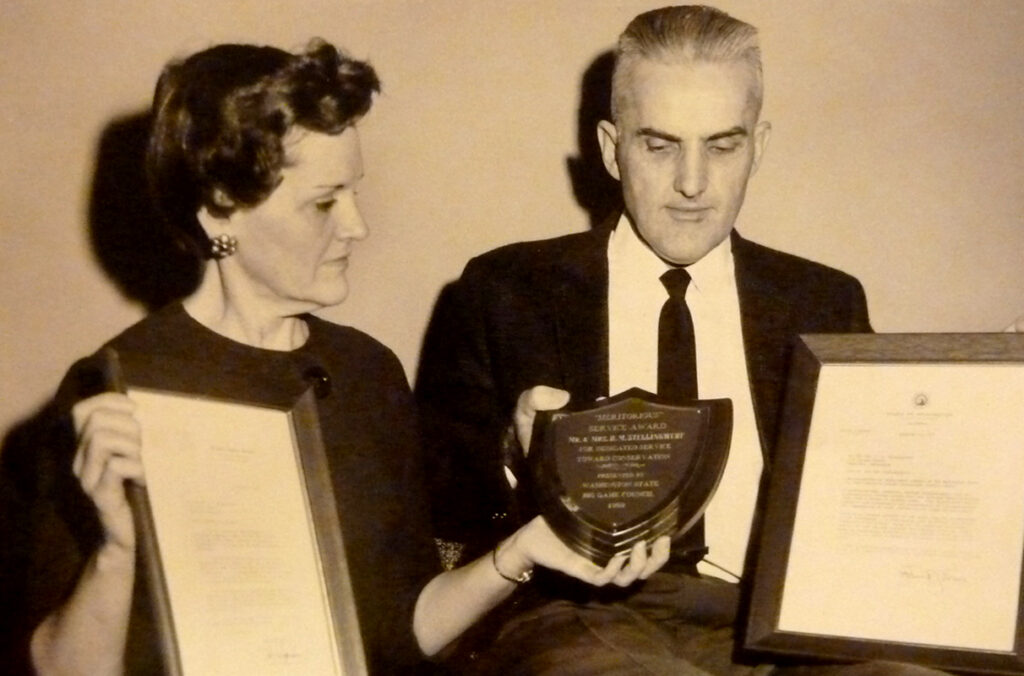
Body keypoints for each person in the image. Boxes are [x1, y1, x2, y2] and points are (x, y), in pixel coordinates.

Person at [0, 39, 669, 676]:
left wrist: (523, 550)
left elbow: (402, 633)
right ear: (221, 211)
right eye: (323, 203)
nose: (357, 225)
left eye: (353, 191)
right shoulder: (118, 387)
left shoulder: (367, 373)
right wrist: (117, 551)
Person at [415, 6, 979, 675]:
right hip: (577, 621)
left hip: (781, 628)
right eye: (659, 145)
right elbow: (441, 525)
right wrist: (516, 457)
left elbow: (871, 503)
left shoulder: (824, 301)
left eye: (722, 145)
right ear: (610, 148)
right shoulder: (506, 291)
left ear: (759, 146)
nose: (692, 183)